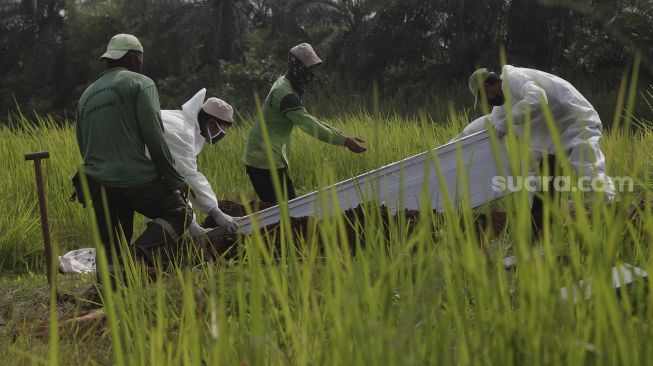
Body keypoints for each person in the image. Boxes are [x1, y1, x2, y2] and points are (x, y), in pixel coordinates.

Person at [75, 34, 192, 279]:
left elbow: (83, 144)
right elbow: (155, 137)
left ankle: (105, 295)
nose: (141, 61)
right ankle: (136, 258)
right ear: (131, 57)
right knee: (180, 214)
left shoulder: (86, 96)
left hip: (97, 181)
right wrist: (176, 181)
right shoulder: (140, 83)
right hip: (134, 179)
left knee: (110, 246)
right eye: (140, 56)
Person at [468, 65, 616, 236]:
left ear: (487, 87)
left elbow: (537, 98)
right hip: (548, 141)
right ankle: (541, 231)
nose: (486, 103)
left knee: (588, 169)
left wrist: (506, 122)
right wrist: (449, 147)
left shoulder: (514, 78)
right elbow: (486, 125)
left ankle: (612, 213)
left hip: (576, 123)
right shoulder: (501, 109)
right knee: (532, 178)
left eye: (483, 98)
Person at [242, 43, 367, 203]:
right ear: (297, 67)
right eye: (310, 68)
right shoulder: (287, 95)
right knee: (287, 215)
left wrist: (343, 136)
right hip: (265, 161)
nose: (312, 73)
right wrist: (345, 141)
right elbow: (310, 126)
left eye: (314, 68)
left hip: (261, 157)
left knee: (285, 211)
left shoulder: (283, 81)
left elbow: (309, 118)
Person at [157, 88, 239, 238]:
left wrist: (194, 227)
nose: (223, 134)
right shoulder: (183, 132)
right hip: (120, 168)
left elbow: (180, 183)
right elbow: (188, 177)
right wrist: (216, 212)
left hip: (127, 167)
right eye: (223, 128)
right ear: (212, 123)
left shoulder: (186, 125)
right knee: (170, 208)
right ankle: (139, 254)